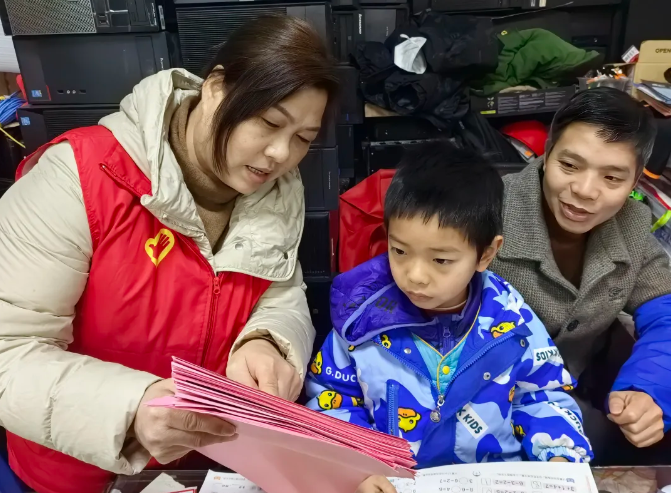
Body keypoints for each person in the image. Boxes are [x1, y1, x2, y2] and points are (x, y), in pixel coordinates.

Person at [0, 15, 338, 493]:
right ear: (216, 87)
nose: (280, 154)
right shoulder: (78, 177)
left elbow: (280, 289)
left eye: (303, 138)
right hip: (81, 471)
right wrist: (130, 409)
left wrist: (267, 340)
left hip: (212, 467)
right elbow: (9, 351)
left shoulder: (277, 193)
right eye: (269, 123)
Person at [305, 143, 593, 493]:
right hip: (392, 483)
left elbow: (542, 397)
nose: (415, 275)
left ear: (486, 254)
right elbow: (331, 399)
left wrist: (560, 458)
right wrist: (357, 469)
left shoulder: (512, 320)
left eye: (440, 260)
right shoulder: (358, 319)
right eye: (399, 251)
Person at [490, 88, 671, 465]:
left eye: (612, 177)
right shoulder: (485, 211)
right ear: (546, 154)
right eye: (570, 166)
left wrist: (647, 388)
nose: (585, 191)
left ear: (635, 182)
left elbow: (665, 314)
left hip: (571, 407)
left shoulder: (632, 229)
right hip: (477, 406)